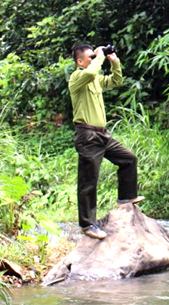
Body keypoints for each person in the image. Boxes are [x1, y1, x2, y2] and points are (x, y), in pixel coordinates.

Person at [69, 44, 144, 240]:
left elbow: (117, 81)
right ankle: (87, 224)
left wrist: (115, 62)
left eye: (94, 56)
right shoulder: (77, 77)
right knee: (89, 181)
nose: (94, 59)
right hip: (87, 135)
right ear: (80, 61)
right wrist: (99, 57)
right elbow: (91, 71)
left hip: (102, 134)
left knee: (128, 159)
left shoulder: (95, 79)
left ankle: (126, 197)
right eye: (90, 57)